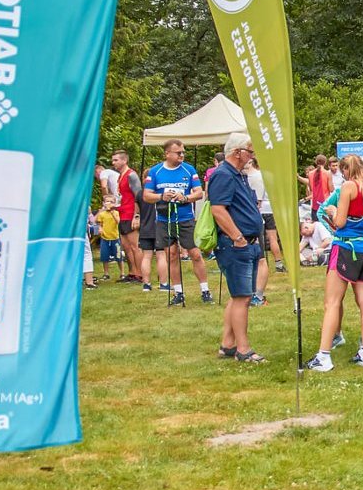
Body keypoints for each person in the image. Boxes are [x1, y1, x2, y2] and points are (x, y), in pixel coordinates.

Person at [308, 155, 363, 372]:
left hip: (345, 247)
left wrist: (332, 213)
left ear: (347, 169)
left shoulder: (348, 186)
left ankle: (324, 356)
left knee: (332, 302)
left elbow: (339, 222)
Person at [206, 133, 266, 362]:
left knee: (240, 296)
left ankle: (227, 344)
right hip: (236, 244)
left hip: (247, 243)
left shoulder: (237, 175)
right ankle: (243, 349)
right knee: (242, 297)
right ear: (237, 152)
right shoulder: (224, 175)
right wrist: (237, 237)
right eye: (249, 152)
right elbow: (218, 209)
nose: (252, 156)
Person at [142, 139, 211, 305]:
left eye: (183, 152)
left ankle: (205, 290)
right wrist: (161, 196)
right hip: (164, 219)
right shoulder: (156, 171)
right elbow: (146, 195)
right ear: (167, 153)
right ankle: (178, 292)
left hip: (185, 218)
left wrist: (185, 197)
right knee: (171, 255)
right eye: (178, 152)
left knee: (195, 254)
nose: (182, 155)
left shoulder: (188, 169)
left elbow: (199, 193)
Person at [246, 157, 285, 279]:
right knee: (273, 238)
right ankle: (278, 263)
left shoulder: (255, 176)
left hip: (261, 209)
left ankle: (262, 262)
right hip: (269, 209)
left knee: (260, 239)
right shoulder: (267, 176)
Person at [110, 150, 143, 284]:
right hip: (122, 213)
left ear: (124, 160)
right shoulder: (120, 176)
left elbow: (138, 196)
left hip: (130, 213)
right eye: (113, 160)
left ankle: (140, 274)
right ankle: (132, 272)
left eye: (116, 160)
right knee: (126, 246)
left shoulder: (131, 175)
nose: (113, 163)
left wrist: (137, 215)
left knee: (134, 245)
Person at [97, 199, 122, 279]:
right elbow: (100, 224)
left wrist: (112, 213)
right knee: (105, 256)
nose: (108, 203)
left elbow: (118, 222)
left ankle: (122, 272)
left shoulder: (116, 213)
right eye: (106, 202)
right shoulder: (102, 214)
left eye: (110, 202)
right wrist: (100, 228)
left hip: (115, 238)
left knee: (118, 256)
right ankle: (106, 273)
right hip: (105, 238)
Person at [306, 155, 334, 222]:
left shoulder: (310, 174)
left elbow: (311, 189)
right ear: (325, 162)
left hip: (315, 205)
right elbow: (331, 189)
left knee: (316, 227)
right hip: (325, 204)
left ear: (316, 162)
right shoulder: (327, 173)